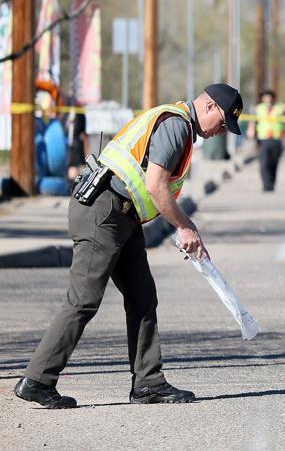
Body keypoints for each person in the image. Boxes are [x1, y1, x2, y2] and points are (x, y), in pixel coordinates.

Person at [14, 83, 244, 409]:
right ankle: (37, 379)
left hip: (124, 216)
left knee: (142, 297)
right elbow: (155, 185)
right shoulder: (176, 125)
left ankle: (149, 383)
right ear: (209, 107)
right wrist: (185, 226)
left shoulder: (178, 124)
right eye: (223, 123)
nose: (222, 132)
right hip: (104, 212)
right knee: (84, 300)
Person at [249, 90, 285, 192]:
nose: (268, 99)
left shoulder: (279, 108)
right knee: (263, 163)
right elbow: (253, 120)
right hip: (263, 139)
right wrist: (251, 130)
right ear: (263, 98)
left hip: (276, 138)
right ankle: (266, 184)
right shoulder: (259, 108)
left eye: (270, 97)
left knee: (274, 163)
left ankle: (272, 183)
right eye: (266, 97)